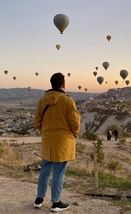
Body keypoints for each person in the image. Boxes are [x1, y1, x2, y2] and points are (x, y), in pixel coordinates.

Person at [33, 72, 81, 212]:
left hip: (48, 142)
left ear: (51, 84)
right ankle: (56, 202)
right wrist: (73, 134)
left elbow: (37, 122)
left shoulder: (42, 100)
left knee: (45, 170)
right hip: (63, 142)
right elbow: (75, 122)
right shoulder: (67, 100)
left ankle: (39, 199)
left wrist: (46, 132)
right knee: (59, 173)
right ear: (63, 84)